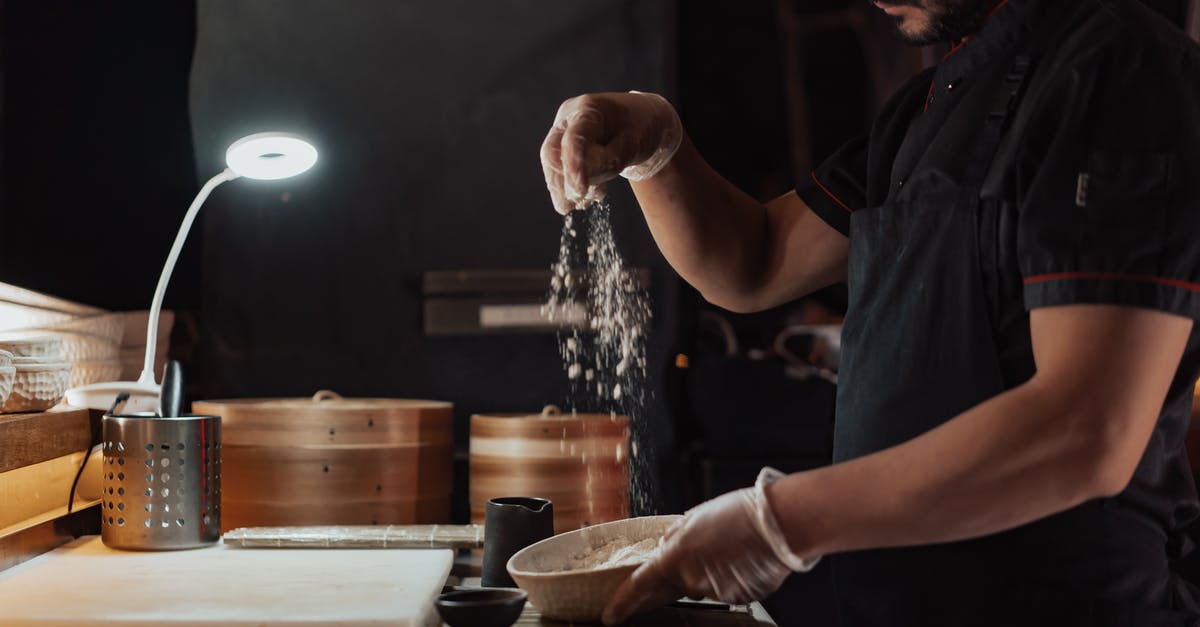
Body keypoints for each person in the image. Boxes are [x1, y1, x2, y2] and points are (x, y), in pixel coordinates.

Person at [540, 0, 1200, 625]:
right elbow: (758, 260)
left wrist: (781, 521)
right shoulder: (932, 104)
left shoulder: (1121, 71)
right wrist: (656, 144)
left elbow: (1087, 428)